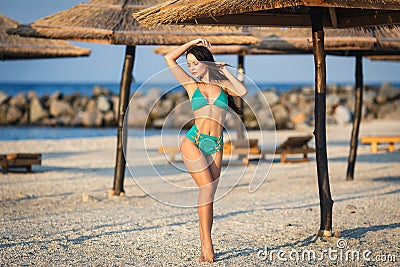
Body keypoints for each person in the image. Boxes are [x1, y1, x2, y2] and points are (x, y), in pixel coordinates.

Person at [164, 38, 248, 262]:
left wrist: (224, 70)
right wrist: (191, 43)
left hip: (216, 145)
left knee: (209, 196)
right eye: (189, 64)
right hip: (194, 141)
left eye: (194, 63)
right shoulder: (192, 86)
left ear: (206, 62)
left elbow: (242, 90)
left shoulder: (223, 86)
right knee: (206, 190)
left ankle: (205, 244)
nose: (191, 67)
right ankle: (207, 244)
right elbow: (168, 58)